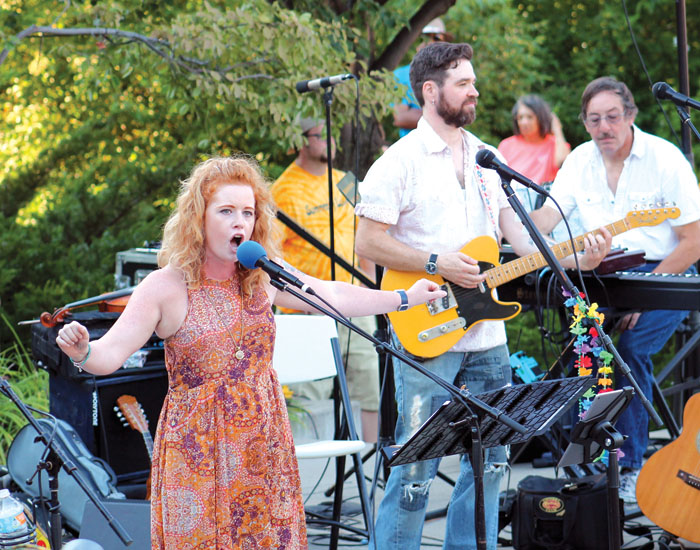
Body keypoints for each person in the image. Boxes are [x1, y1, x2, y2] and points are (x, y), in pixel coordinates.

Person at [55, 155, 446, 549]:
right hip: (197, 449)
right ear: (199, 217)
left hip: (263, 439)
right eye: (226, 210)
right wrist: (82, 350)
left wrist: (402, 298)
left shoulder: (265, 274)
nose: (239, 221)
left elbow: (330, 293)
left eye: (247, 211)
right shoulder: (165, 286)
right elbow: (106, 358)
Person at [354, 43, 609, 550]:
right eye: (464, 82)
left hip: (488, 336)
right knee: (415, 472)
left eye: (473, 81)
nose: (475, 90)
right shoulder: (398, 161)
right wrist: (435, 263)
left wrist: (580, 257)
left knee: (492, 464)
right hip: (425, 330)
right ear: (431, 91)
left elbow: (523, 236)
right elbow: (367, 241)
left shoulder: (486, 157)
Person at [530, 76, 700, 503]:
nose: (603, 127)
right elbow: (546, 219)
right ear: (584, 123)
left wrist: (647, 290)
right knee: (583, 353)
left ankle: (628, 466)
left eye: (611, 117)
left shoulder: (664, 158)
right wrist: (506, 223)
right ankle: (583, 461)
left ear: (630, 116)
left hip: (664, 272)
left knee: (628, 350)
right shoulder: (579, 161)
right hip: (599, 275)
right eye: (593, 120)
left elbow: (694, 239)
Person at [271, 118, 381, 442]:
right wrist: (298, 298)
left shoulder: (347, 182)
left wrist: (370, 283)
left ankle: (368, 473)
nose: (330, 143)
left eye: (333, 137)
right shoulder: (282, 190)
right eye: (321, 137)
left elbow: (365, 237)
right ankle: (308, 475)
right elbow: (271, 256)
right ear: (300, 141)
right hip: (306, 310)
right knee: (307, 398)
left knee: (369, 388)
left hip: (354, 303)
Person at [497, 94, 571, 211]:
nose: (524, 122)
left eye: (529, 117)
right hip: (512, 206)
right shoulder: (506, 145)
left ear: (540, 118)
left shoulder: (554, 143)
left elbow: (563, 162)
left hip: (542, 207)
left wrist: (557, 130)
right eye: (520, 118)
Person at [393, 18, 452, 139]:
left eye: (436, 38)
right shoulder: (400, 74)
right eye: (425, 38)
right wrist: (444, 115)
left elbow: (459, 115)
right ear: (417, 43)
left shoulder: (451, 75)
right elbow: (400, 117)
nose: (430, 43)